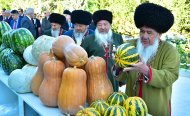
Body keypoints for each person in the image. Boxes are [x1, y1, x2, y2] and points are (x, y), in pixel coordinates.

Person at [115, 3, 180, 116]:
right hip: (130, 106)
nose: (144, 36)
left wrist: (146, 70)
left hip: (156, 107)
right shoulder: (131, 45)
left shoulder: (170, 51)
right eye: (142, 31)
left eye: (149, 32)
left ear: (159, 34)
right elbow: (122, 77)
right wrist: (118, 67)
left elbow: (170, 76)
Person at [81, 10, 123, 92]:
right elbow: (82, 60)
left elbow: (123, 59)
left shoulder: (118, 38)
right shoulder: (88, 40)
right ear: (96, 26)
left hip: (113, 79)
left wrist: (122, 79)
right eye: (99, 25)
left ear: (110, 24)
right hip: (94, 81)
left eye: (105, 24)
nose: (103, 27)